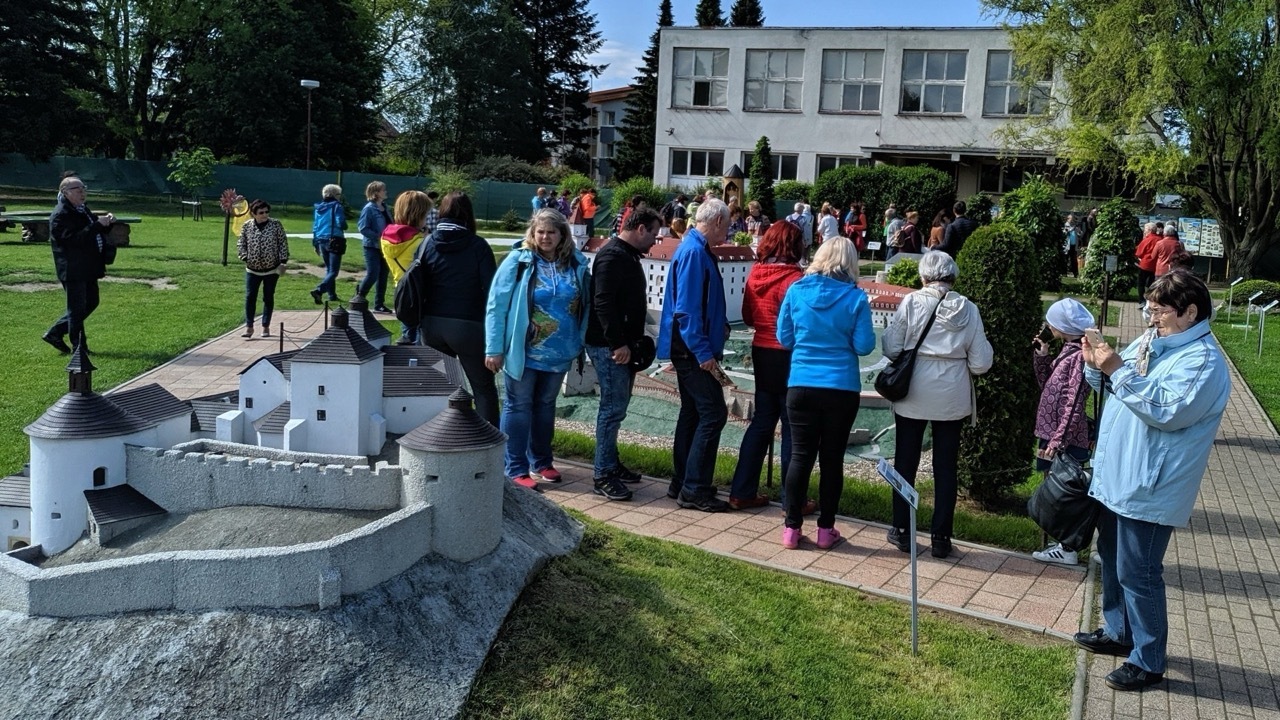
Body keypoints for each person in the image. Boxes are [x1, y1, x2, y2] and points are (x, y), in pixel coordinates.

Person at [1075, 270, 1230, 691]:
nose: (1150, 317)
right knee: (1112, 559)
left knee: (1139, 572)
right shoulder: (1153, 341)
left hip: (1150, 484)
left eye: (1159, 310)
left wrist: (1116, 369)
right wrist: (1095, 366)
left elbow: (1166, 411)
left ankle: (1148, 660)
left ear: (1190, 312)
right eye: (1149, 308)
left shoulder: (1202, 361)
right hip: (1120, 475)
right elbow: (1119, 385)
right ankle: (1119, 631)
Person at [883, 251, 994, 558]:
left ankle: (902, 529)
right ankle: (941, 537)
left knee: (905, 462)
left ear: (924, 276)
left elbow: (891, 346)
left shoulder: (912, 302)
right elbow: (981, 363)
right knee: (946, 467)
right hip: (952, 393)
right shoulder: (969, 309)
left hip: (914, 389)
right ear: (952, 276)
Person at [776, 237, 876, 549]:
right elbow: (864, 346)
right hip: (841, 387)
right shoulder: (855, 298)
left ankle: (791, 528)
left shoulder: (796, 290)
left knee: (800, 456)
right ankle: (825, 529)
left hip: (801, 384)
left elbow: (784, 338)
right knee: (832, 459)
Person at [485, 208, 591, 490]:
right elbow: (496, 306)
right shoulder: (519, 261)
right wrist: (493, 348)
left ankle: (541, 461)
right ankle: (515, 468)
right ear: (532, 233)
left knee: (545, 406)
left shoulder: (575, 263)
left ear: (562, 235)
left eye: (551, 232)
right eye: (540, 231)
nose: (545, 237)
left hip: (560, 351)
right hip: (524, 351)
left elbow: (585, 304)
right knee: (519, 405)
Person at [727, 221, 810, 512]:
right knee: (792, 427)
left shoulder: (755, 273)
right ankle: (793, 500)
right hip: (789, 354)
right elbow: (802, 324)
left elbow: (748, 316)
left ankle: (741, 491)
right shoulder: (796, 279)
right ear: (793, 245)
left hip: (761, 350)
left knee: (762, 421)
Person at [657, 198, 732, 513]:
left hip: (688, 347)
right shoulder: (694, 253)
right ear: (717, 222)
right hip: (692, 349)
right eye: (727, 226)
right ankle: (694, 488)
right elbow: (687, 310)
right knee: (713, 414)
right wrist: (703, 351)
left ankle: (683, 481)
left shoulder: (694, 249)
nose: (728, 233)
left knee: (693, 412)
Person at [585, 206, 662, 501]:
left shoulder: (624, 255)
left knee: (616, 408)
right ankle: (603, 474)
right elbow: (603, 302)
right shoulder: (613, 256)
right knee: (612, 409)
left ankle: (610, 463)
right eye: (653, 234)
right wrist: (617, 344)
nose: (655, 240)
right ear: (640, 229)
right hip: (610, 347)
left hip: (621, 346)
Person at [416, 192, 500, 425]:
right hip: (468, 324)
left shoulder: (426, 244)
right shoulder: (477, 246)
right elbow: (492, 290)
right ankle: (488, 439)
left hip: (431, 323)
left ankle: (439, 438)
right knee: (482, 388)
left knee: (440, 389)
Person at [1029, 298, 1096, 565]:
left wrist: (1058, 440)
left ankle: (1067, 548)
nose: (1048, 326)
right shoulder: (1068, 350)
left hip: (1065, 438)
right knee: (1054, 491)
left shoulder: (1079, 356)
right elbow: (1048, 385)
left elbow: (1074, 402)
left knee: (1066, 494)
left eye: (1051, 322)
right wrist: (1042, 357)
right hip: (1054, 434)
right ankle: (1063, 544)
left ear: (1063, 326)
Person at [42, 176, 115, 354]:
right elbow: (74, 240)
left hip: (87, 267)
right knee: (76, 309)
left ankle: (55, 332)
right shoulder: (61, 215)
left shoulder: (81, 209)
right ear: (65, 193)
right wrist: (97, 225)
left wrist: (106, 223)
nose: (82, 192)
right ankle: (79, 349)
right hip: (73, 269)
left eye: (83, 188)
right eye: (77, 189)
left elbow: (92, 231)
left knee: (91, 302)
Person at [381, 190, 432, 345]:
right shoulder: (421, 243)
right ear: (419, 214)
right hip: (422, 295)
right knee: (421, 343)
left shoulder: (386, 238)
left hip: (402, 292)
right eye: (426, 214)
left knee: (408, 337)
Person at [236, 199, 289, 339]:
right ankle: (249, 326)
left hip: (272, 269)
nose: (265, 214)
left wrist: (283, 261)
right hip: (252, 269)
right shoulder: (247, 226)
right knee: (250, 297)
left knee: (268, 296)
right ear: (254, 214)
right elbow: (241, 243)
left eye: (266, 212)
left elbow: (282, 243)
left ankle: (265, 326)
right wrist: (244, 257)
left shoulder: (276, 225)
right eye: (261, 212)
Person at [355, 181, 393, 313]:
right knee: (373, 273)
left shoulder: (385, 207)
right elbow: (363, 228)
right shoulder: (369, 209)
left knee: (383, 275)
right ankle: (358, 299)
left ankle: (379, 304)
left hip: (385, 246)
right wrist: (378, 237)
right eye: (383, 190)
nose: (385, 192)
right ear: (376, 193)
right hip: (372, 246)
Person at [310, 184, 347, 304]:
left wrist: (315, 243)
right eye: (339, 194)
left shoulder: (318, 208)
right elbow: (340, 222)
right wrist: (344, 225)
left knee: (329, 269)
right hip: (335, 239)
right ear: (335, 195)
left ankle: (332, 295)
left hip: (321, 239)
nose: (340, 197)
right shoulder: (337, 206)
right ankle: (319, 290)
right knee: (334, 271)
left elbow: (315, 226)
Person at [1135, 222, 1160, 298]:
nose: (1144, 231)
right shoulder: (1160, 239)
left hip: (1145, 264)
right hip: (1156, 265)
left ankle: (1141, 299)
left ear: (1149, 230)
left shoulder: (1147, 240)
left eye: (1145, 229)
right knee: (1152, 283)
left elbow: (1138, 253)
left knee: (1141, 283)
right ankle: (1150, 298)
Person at [1062, 213, 1081, 278]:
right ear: (1068, 219)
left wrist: (1079, 231)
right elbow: (1064, 233)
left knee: (1074, 260)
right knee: (1065, 259)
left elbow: (1080, 234)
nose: (1072, 220)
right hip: (1067, 246)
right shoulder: (1065, 225)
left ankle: (1075, 273)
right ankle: (1064, 273)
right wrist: (1071, 229)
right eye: (1071, 219)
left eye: (1073, 219)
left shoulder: (1075, 226)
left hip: (1074, 245)